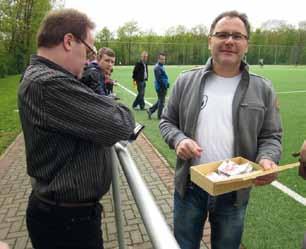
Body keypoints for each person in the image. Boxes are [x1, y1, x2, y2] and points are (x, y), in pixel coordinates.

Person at [159, 10, 282, 249]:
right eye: (222, 34)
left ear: (246, 44)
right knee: (183, 245)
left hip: (234, 191)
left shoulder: (263, 88)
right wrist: (178, 139)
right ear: (210, 41)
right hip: (191, 187)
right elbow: (166, 121)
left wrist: (267, 158)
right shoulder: (186, 81)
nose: (229, 41)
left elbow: (271, 136)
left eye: (237, 36)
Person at [18, 9, 135, 249]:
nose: (90, 59)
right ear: (69, 41)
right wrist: (112, 103)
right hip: (66, 224)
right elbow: (120, 123)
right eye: (90, 50)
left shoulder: (47, 78)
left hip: (66, 217)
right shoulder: (48, 84)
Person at [147, 52, 169, 119]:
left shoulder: (160, 66)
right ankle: (160, 116)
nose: (163, 61)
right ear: (158, 59)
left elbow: (163, 77)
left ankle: (150, 110)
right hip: (160, 87)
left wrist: (166, 83)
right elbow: (159, 79)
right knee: (161, 102)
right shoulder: (157, 68)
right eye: (162, 59)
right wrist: (165, 85)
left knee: (160, 100)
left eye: (164, 59)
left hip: (161, 86)